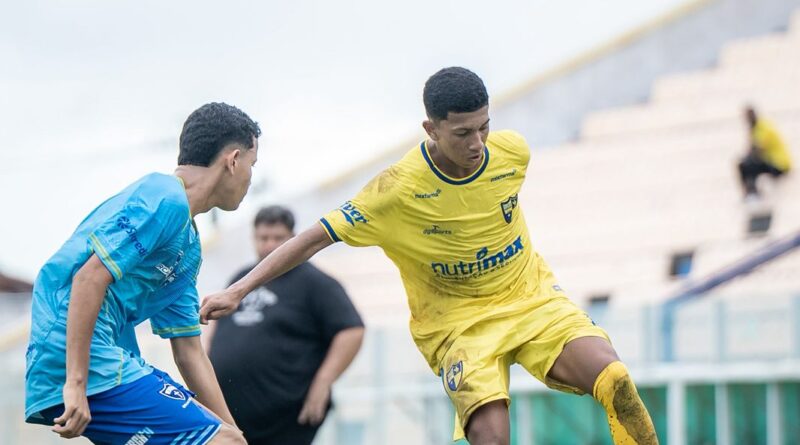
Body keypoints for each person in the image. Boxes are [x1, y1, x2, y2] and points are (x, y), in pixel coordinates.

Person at [201, 67, 659, 445]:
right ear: (431, 129)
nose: (477, 143)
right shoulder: (394, 191)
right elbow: (314, 237)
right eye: (462, 133)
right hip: (457, 325)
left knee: (613, 376)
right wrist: (239, 290)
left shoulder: (512, 153)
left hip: (533, 301)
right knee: (492, 438)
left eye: (484, 127)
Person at [25, 102, 260, 445]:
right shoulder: (165, 196)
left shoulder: (188, 247)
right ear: (234, 160)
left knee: (228, 438)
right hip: (78, 362)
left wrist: (235, 433)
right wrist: (75, 383)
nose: (251, 177)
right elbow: (88, 278)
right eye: (253, 165)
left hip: (106, 364)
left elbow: (189, 351)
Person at [206, 205, 364, 445]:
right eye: (263, 238)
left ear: (293, 238)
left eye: (278, 238)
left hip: (285, 416)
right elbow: (217, 329)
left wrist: (323, 383)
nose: (269, 245)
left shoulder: (314, 282)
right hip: (232, 413)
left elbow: (351, 330)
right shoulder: (242, 278)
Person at [738, 106, 792, 199]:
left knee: (747, 165)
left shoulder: (762, 128)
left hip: (779, 164)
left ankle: (752, 193)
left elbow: (757, 150)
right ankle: (751, 192)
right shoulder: (756, 129)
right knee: (746, 165)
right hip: (772, 162)